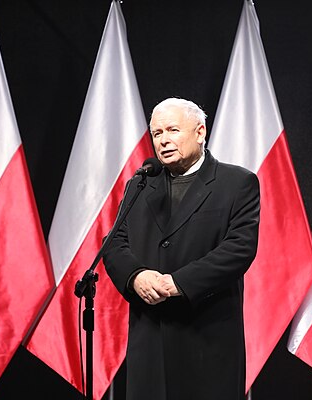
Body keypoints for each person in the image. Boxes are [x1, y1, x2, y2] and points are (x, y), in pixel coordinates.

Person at [104, 98, 260, 400]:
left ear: (200, 132)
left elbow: (238, 249)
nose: (163, 140)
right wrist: (136, 276)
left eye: (173, 130)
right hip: (149, 339)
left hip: (206, 338)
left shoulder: (237, 183)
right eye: (157, 133)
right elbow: (113, 244)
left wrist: (178, 283)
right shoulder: (140, 184)